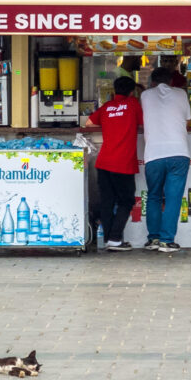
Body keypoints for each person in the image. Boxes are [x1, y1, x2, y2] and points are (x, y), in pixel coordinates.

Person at [84, 75, 142, 251]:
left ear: (114, 91)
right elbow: (144, 123)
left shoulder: (107, 107)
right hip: (123, 163)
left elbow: (88, 123)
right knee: (126, 201)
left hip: (104, 162)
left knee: (107, 201)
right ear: (132, 92)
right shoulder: (133, 104)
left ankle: (109, 238)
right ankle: (115, 239)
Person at [140, 67, 191, 253]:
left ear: (152, 82)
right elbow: (188, 122)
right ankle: (167, 241)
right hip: (178, 152)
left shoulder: (145, 95)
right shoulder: (181, 94)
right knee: (172, 198)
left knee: (153, 196)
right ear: (171, 82)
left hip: (153, 154)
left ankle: (153, 238)